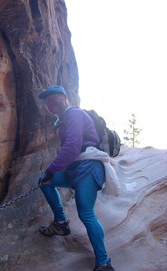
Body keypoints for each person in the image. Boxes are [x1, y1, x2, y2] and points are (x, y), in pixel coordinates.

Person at [38, 85, 116, 271]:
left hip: (89, 166)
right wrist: (52, 172)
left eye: (53, 98)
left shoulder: (74, 114)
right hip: (76, 168)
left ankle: (103, 263)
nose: (50, 103)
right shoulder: (63, 120)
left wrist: (52, 169)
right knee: (44, 182)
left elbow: (73, 146)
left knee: (86, 214)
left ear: (64, 97)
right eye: (47, 101)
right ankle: (61, 223)